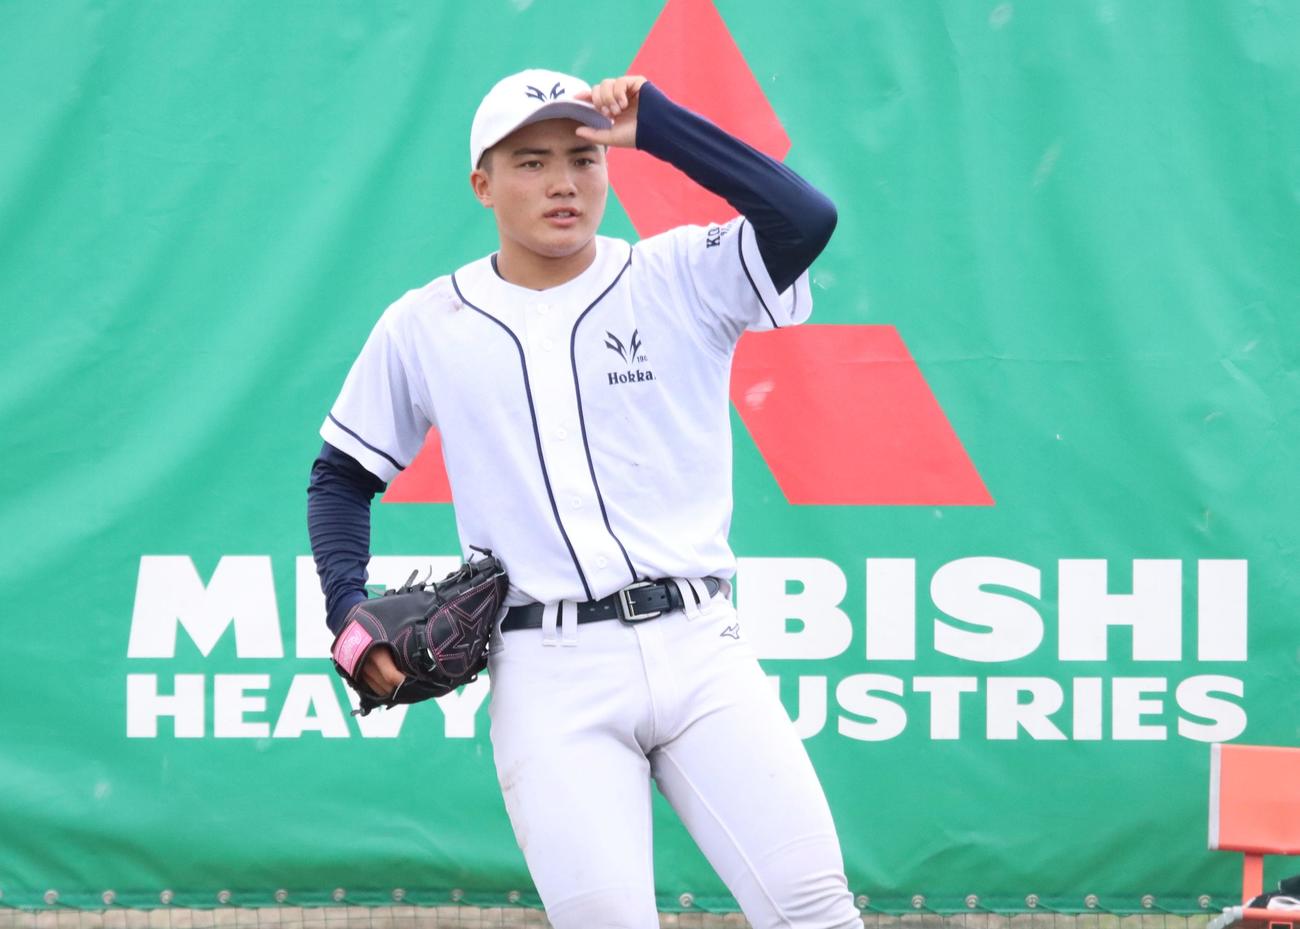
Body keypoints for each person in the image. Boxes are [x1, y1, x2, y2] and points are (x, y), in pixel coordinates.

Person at [307, 69, 860, 929]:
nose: (564, 182)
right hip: (549, 671)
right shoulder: (426, 323)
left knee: (812, 907)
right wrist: (347, 610)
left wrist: (663, 126)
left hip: (699, 647)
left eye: (583, 157)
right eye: (531, 162)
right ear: (482, 184)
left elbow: (806, 220)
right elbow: (341, 475)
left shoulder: (677, 275)